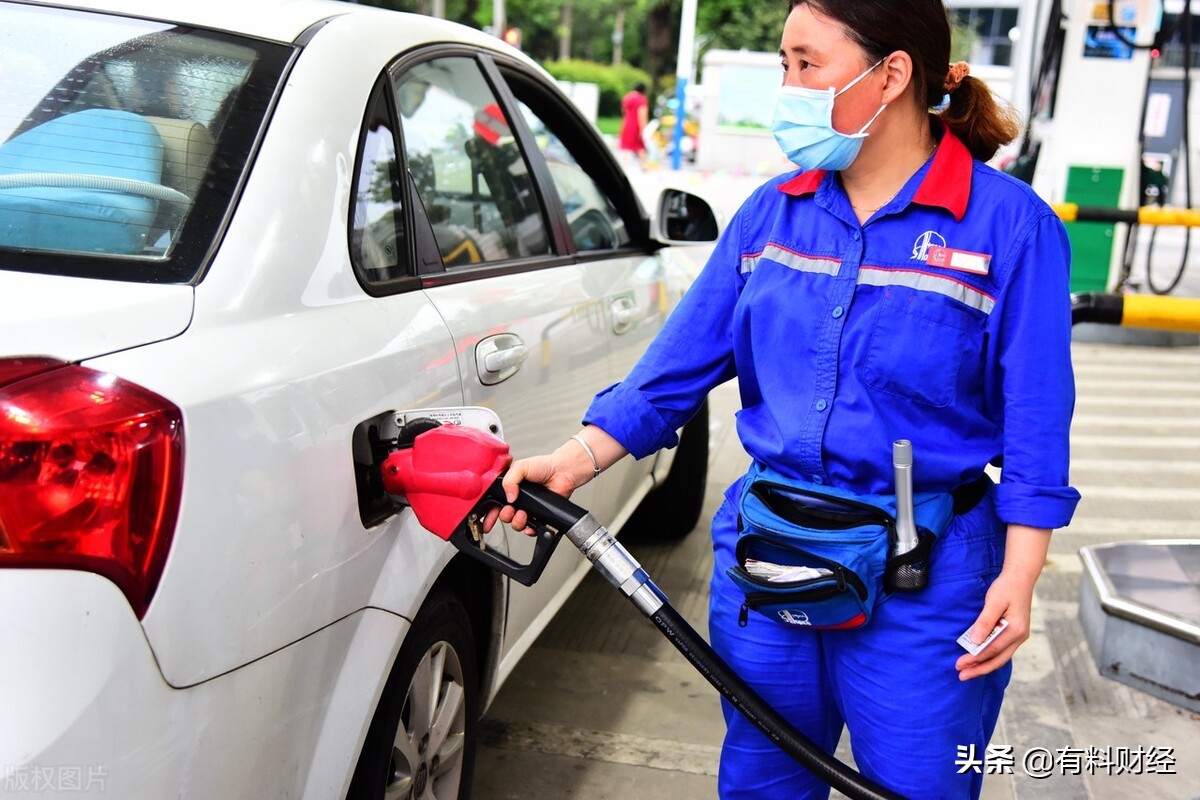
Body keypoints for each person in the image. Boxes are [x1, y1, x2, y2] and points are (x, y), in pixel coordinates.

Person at [486, 0, 1079, 797]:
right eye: (784, 65)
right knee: (764, 780)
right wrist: (576, 457)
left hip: (924, 582)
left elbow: (1039, 416)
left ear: (892, 74)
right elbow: (674, 370)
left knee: (916, 785)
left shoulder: (1009, 228)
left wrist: (1022, 571)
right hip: (772, 558)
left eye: (808, 64)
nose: (789, 86)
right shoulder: (773, 213)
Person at [618, 82, 649, 166]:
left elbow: (624, 112)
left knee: (626, 148)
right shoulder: (641, 99)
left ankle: (622, 167)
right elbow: (642, 115)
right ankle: (644, 166)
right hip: (636, 126)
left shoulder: (627, 97)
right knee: (640, 146)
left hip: (627, 125)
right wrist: (643, 129)